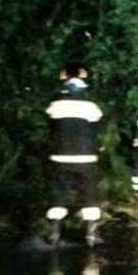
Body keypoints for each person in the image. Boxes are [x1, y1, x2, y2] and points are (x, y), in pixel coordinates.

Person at [45, 65, 104, 247]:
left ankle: (54, 233)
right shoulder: (91, 107)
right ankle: (91, 235)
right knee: (89, 195)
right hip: (86, 159)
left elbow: (51, 126)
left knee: (58, 195)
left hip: (60, 159)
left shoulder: (55, 105)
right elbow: (97, 128)